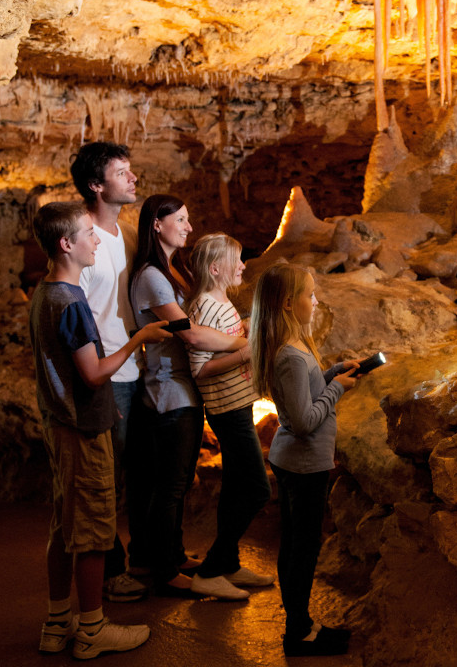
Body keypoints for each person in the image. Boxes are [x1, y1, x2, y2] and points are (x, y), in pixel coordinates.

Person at [29, 201, 169, 658]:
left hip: (63, 421)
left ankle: (57, 621)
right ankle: (92, 627)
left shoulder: (44, 293)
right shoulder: (72, 301)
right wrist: (139, 340)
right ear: (66, 244)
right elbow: (92, 374)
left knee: (64, 524)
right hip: (82, 428)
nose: (98, 241)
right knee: (91, 530)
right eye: (90, 234)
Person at [129, 195, 247, 597]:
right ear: (157, 225)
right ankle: (165, 570)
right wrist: (243, 346)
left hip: (181, 388)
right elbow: (192, 334)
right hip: (169, 391)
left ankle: (170, 555)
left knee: (175, 482)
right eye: (180, 219)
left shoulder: (173, 271)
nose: (188, 227)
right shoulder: (152, 277)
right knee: (171, 485)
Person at [249, 263, 358, 657]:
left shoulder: (294, 347)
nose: (315, 301)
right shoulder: (291, 356)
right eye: (310, 295)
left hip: (295, 460)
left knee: (295, 544)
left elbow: (304, 395)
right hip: (303, 462)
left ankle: (302, 624)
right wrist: (337, 391)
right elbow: (303, 421)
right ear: (288, 303)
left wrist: (330, 374)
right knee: (303, 548)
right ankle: (299, 632)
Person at [70, 141, 146, 603]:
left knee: (138, 473)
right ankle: (110, 571)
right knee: (106, 480)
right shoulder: (79, 239)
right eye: (122, 172)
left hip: (137, 368)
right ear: (97, 186)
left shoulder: (130, 234)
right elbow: (70, 311)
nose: (132, 178)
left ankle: (144, 558)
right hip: (103, 376)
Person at [184, 234, 274, 600]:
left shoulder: (220, 301)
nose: (243, 266)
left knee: (237, 486)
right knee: (257, 489)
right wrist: (246, 353)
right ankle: (209, 571)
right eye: (236, 261)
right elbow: (199, 369)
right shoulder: (205, 306)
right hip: (227, 409)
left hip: (238, 404)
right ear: (215, 268)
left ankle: (230, 565)